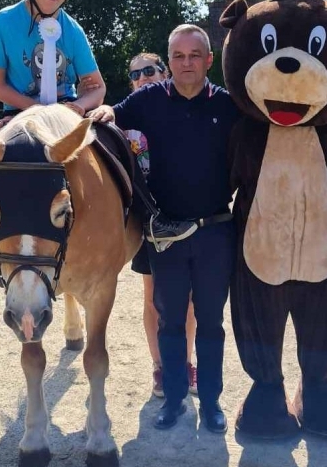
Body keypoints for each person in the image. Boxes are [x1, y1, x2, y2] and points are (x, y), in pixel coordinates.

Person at [0, 0, 195, 245]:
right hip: (20, 112)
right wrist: (36, 110)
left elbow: (97, 87)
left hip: (67, 111)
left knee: (115, 137)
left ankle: (149, 217)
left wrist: (79, 108)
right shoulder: (2, 22)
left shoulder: (74, 31)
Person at [90, 25, 240, 434]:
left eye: (195, 55)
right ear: (169, 60)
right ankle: (173, 399)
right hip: (166, 234)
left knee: (210, 323)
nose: (186, 63)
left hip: (214, 230)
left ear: (209, 60)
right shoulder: (149, 99)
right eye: (178, 56)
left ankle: (210, 402)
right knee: (169, 321)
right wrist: (103, 112)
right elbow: (113, 113)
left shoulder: (229, 106)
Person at [124, 52, 198, 398]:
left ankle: (184, 362)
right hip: (147, 223)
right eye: (136, 74)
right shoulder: (123, 123)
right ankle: (159, 366)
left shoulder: (186, 107)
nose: (143, 77)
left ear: (165, 72)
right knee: (153, 297)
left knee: (190, 301)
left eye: (150, 70)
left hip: (187, 215)